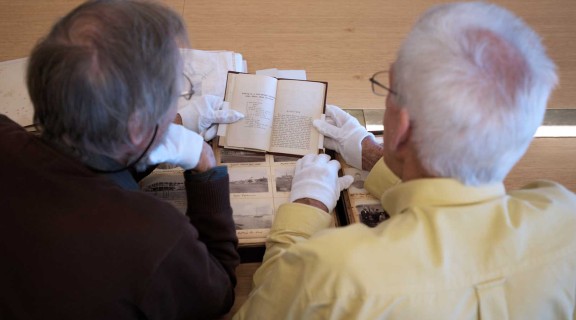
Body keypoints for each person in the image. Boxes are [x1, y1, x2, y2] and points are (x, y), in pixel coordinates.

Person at [234, 2, 576, 319]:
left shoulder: (328, 273)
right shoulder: (566, 216)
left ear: (402, 129)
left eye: (390, 90)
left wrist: (305, 209)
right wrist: (373, 153)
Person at [0, 0, 242, 319]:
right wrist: (205, 168)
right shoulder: (156, 238)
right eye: (176, 90)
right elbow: (217, 294)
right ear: (137, 128)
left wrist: (145, 144)